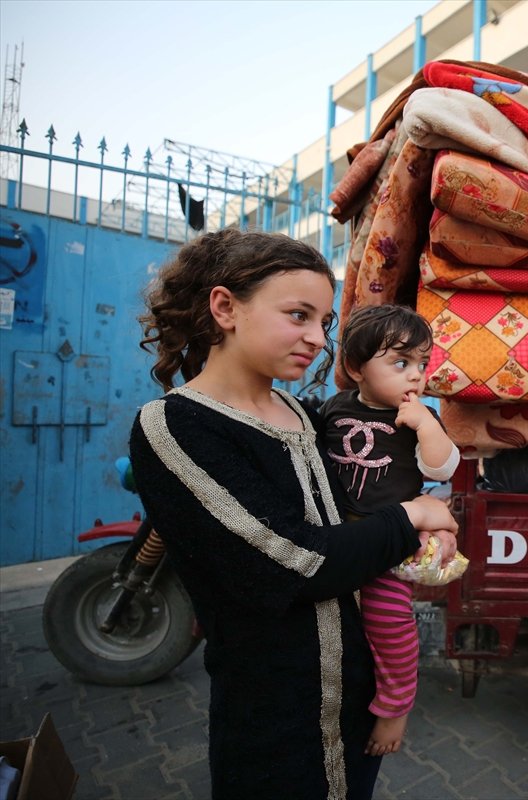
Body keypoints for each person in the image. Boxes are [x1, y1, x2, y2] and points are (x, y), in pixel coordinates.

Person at [129, 228, 458, 800]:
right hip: (277, 717)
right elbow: (296, 562)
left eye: (324, 323)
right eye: (299, 315)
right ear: (226, 307)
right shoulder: (177, 426)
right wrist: (413, 516)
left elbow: (359, 505)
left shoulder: (299, 413)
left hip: (354, 696)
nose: (316, 339)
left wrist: (427, 525)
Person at [320, 304, 461, 757]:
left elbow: (444, 466)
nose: (416, 375)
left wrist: (424, 425)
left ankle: (395, 706)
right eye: (401, 363)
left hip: (388, 548)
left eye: (422, 363)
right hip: (337, 539)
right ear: (356, 368)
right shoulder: (332, 409)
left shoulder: (420, 418)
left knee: (392, 629)